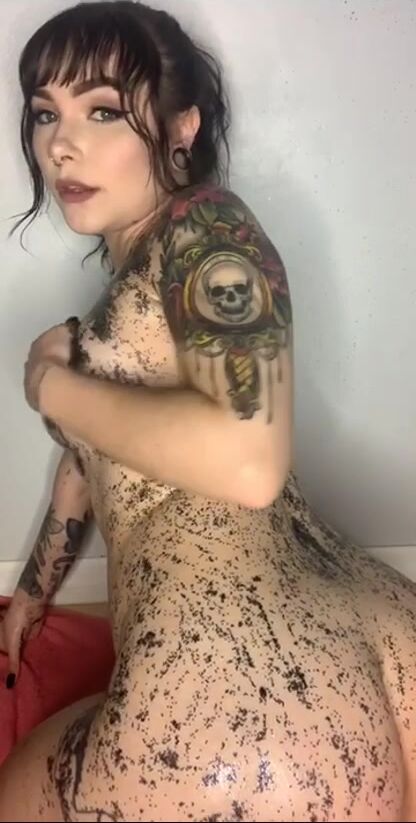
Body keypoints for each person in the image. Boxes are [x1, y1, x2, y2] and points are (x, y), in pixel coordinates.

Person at [0, 1, 415, 820]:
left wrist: (48, 383)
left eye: (103, 111)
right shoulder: (128, 299)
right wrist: (32, 593)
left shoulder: (205, 228)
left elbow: (247, 461)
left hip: (237, 705)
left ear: (181, 127)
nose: (61, 144)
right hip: (364, 629)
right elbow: (89, 467)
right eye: (46, 113)